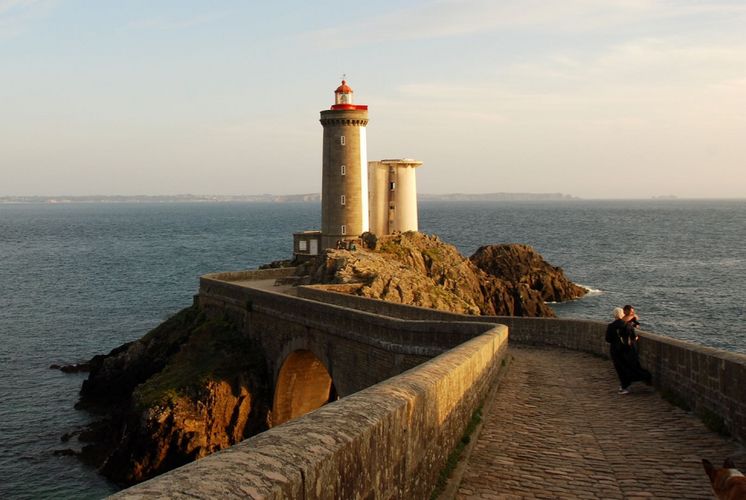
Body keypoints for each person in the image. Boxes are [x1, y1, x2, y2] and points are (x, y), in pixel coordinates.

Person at [605, 307, 652, 394]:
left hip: (615, 350)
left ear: (614, 315)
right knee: (628, 366)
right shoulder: (627, 325)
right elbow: (634, 337)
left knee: (620, 368)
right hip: (626, 349)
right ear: (622, 314)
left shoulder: (611, 326)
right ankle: (642, 377)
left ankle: (624, 386)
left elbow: (608, 339)